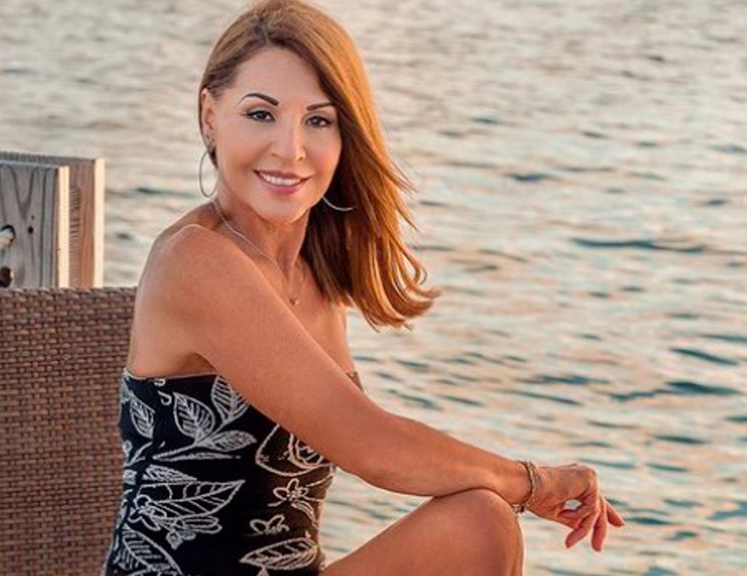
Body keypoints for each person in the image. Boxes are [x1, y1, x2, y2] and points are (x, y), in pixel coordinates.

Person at [101, 1, 626, 574]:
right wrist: (534, 482)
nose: (290, 149)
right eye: (261, 114)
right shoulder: (196, 261)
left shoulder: (315, 272)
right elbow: (373, 448)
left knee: (479, 524)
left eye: (318, 121)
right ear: (210, 117)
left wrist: (514, 487)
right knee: (487, 517)